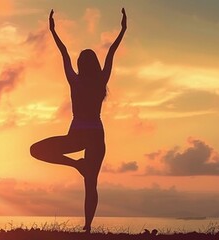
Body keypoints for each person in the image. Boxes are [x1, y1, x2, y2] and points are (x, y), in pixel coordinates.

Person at [29, 8, 126, 233]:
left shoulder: (75, 80)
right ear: (95, 64)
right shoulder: (101, 80)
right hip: (96, 136)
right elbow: (111, 52)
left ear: (82, 64)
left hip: (78, 136)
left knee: (36, 150)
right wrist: (122, 30)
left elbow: (64, 53)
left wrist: (53, 31)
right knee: (91, 184)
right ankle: (88, 227)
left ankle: (76, 166)